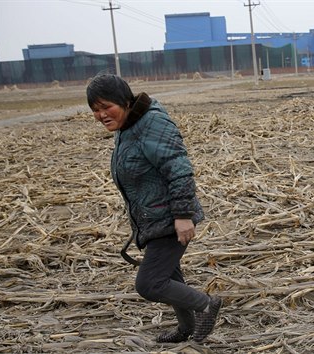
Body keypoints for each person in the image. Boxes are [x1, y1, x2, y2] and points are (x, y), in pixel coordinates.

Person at [86, 73, 222, 344]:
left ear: (125, 100)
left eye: (106, 107)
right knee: (170, 275)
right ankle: (186, 328)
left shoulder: (151, 123)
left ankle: (206, 304)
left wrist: (183, 216)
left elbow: (179, 169)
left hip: (170, 219)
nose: (101, 115)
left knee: (149, 284)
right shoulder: (127, 127)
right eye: (95, 110)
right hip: (154, 220)